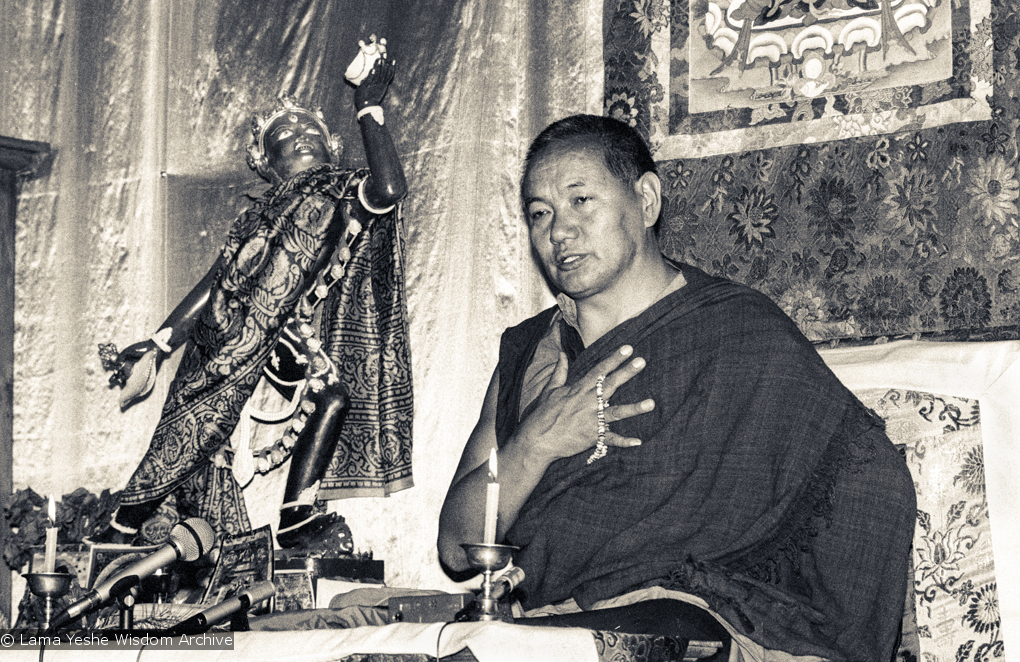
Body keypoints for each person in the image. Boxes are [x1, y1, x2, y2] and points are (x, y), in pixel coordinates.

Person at [438, 114, 916, 661]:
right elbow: (456, 547)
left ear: (646, 200)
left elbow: (866, 477)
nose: (558, 232)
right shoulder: (532, 353)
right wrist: (537, 442)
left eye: (580, 201)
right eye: (539, 213)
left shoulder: (737, 331)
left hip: (689, 617)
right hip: (544, 622)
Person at [95, 36, 411, 549]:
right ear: (264, 161)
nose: (299, 135)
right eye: (284, 133)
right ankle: (127, 526)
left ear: (331, 147)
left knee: (330, 396)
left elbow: (390, 189)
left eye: (309, 129)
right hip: (226, 334)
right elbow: (213, 285)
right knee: (193, 434)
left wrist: (367, 104)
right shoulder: (253, 219)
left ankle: (295, 515)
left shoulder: (342, 189)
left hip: (283, 326)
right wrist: (158, 343)